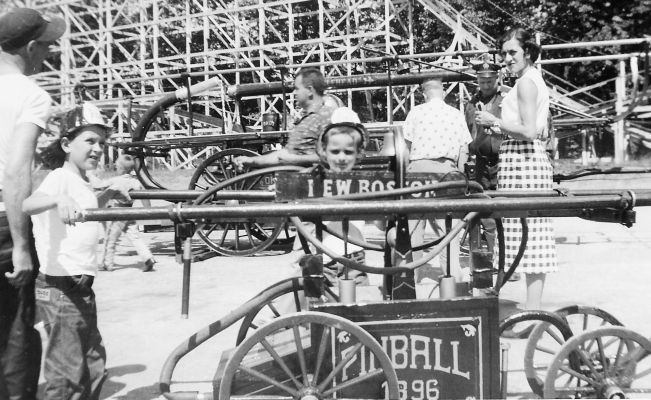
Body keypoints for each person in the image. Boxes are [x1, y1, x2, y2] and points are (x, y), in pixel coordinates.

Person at [23, 103, 129, 400]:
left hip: (82, 288)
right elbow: (28, 205)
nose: (97, 149)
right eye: (89, 141)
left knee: (94, 364)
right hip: (60, 289)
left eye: (101, 143)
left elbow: (87, 211)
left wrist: (108, 194)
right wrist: (57, 200)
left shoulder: (82, 181)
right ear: (67, 144)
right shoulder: (59, 178)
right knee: (66, 373)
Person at [0, 8, 65, 399]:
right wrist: (22, 246)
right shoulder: (30, 95)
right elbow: (15, 169)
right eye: (47, 46)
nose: (50, 54)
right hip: (3, 226)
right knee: (17, 332)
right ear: (29, 47)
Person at [474, 27, 558, 311]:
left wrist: (492, 120)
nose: (507, 58)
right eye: (505, 53)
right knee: (520, 232)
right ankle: (527, 304)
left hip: (524, 159)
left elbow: (530, 130)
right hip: (519, 159)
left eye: (513, 52)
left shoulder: (525, 84)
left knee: (530, 234)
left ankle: (532, 307)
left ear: (528, 53)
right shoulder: (530, 80)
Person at [402, 78, 472, 282]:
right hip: (446, 170)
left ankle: (411, 277)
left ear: (424, 94)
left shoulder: (415, 112)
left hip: (418, 170)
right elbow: (463, 150)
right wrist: (459, 175)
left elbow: (406, 146)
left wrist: (408, 171)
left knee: (414, 228)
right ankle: (451, 277)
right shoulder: (455, 114)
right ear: (443, 93)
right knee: (448, 228)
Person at [464, 60, 516, 280]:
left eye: (490, 81)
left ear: (498, 79)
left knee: (509, 213)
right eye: (482, 81)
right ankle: (497, 260)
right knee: (486, 215)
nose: (485, 85)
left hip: (507, 160)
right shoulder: (470, 104)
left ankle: (511, 263)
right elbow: (469, 139)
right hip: (482, 164)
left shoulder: (509, 99)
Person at [234, 67, 336, 169]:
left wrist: (294, 159)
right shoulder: (308, 119)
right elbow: (283, 155)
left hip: (313, 181)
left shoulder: (326, 117)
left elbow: (334, 156)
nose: (294, 93)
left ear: (309, 90)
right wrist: (251, 160)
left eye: (297, 89)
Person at [100, 153, 156, 272]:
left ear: (120, 168)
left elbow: (101, 187)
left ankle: (107, 263)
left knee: (111, 238)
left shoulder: (115, 180)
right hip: (130, 211)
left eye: (117, 167)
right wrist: (148, 209)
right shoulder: (135, 182)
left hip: (117, 212)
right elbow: (145, 196)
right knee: (134, 236)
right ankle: (148, 257)